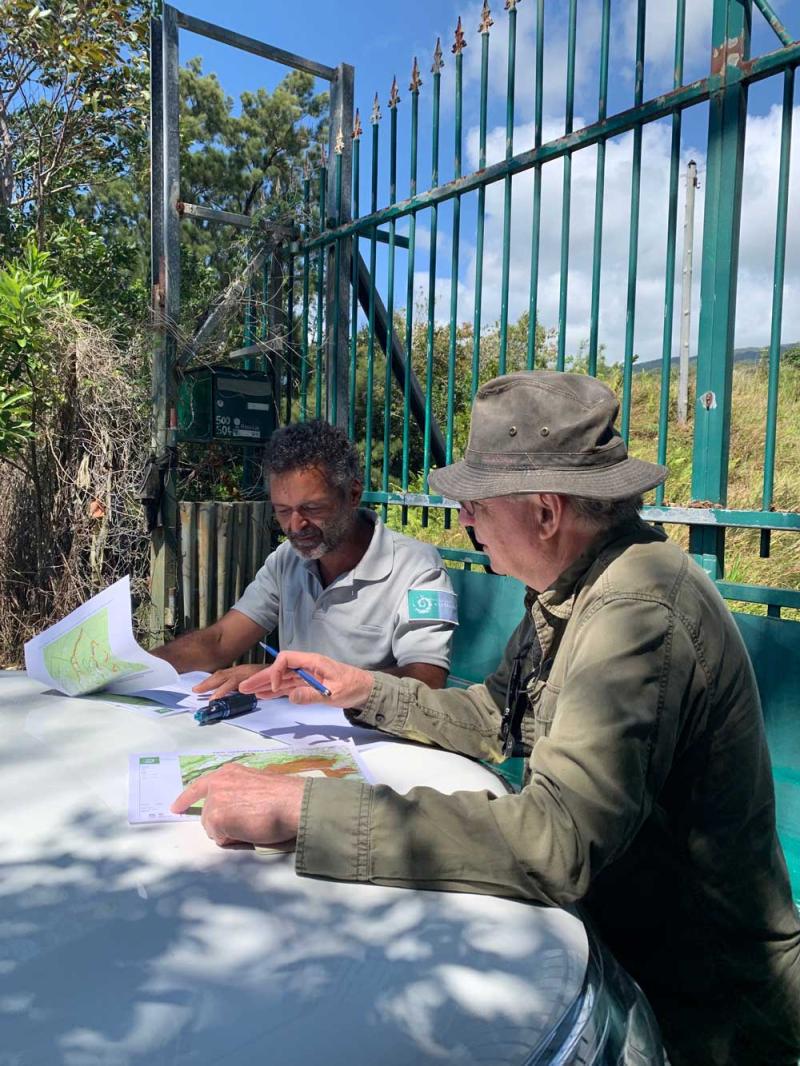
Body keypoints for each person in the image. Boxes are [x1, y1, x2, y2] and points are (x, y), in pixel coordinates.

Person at [172, 371, 800, 1066]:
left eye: (476, 505)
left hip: (702, 1015)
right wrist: (363, 691)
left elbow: (556, 842)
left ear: (546, 512)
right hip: (635, 958)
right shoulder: (573, 586)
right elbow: (497, 713)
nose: (465, 522)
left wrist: (307, 809)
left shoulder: (633, 616)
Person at [153, 420, 457, 696]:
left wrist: (290, 680)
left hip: (373, 744)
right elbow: (220, 641)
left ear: (353, 495)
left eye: (312, 509)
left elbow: (426, 680)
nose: (295, 526)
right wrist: (135, 667)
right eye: (283, 510)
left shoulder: (416, 568)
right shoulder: (287, 559)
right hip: (295, 737)